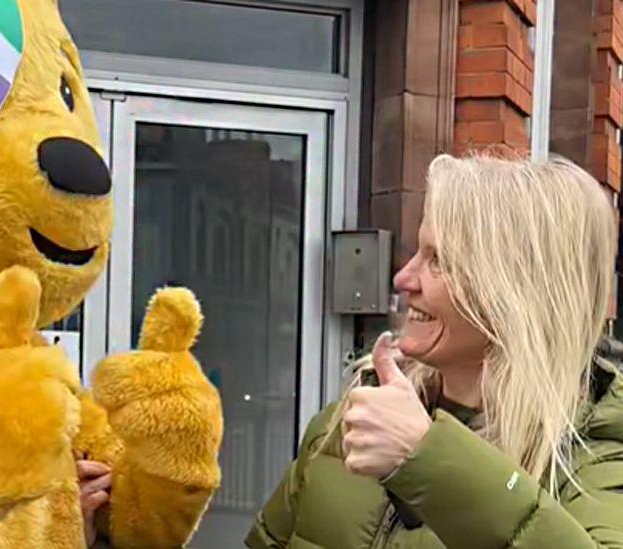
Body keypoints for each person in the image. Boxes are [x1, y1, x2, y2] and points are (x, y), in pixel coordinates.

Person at [247, 154, 623, 548]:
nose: (403, 278)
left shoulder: (596, 453)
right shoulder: (353, 421)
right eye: (418, 252)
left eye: (439, 260)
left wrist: (428, 458)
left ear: (517, 292)